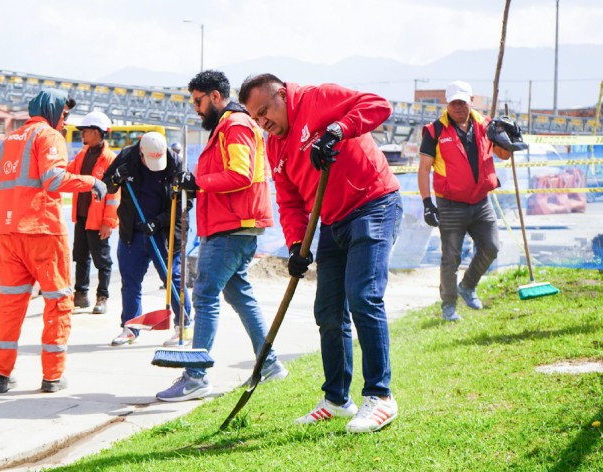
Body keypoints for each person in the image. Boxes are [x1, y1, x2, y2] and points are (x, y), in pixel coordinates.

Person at [239, 74, 403, 433]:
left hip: (373, 204)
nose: (263, 121)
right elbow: (289, 201)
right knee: (328, 311)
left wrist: (337, 131)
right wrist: (297, 246)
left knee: (363, 296)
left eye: (265, 110)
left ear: (283, 94)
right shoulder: (274, 145)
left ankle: (380, 396)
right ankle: (337, 400)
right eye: (256, 117)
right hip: (332, 221)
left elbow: (378, 105)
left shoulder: (318, 98)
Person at [156, 70, 286, 402]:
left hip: (232, 226)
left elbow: (240, 174)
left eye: (199, 101)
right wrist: (196, 182)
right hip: (232, 224)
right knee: (239, 295)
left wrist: (197, 182)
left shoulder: (235, 125)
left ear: (215, 96)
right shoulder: (228, 126)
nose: (197, 109)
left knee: (204, 295)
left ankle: (196, 377)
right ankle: (270, 364)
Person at [0, 89, 107, 394]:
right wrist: (91, 182)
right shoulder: (49, 136)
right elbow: (53, 179)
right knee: (58, 302)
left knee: (10, 305)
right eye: (64, 114)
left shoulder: (10, 140)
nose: (65, 122)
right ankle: (52, 376)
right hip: (43, 232)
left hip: (10, 232)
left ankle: (0, 375)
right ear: (52, 109)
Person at [418, 80, 516, 322]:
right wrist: (427, 204)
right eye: (454, 103)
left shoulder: (487, 125)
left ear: (471, 101)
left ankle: (468, 286)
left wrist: (510, 139)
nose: (458, 107)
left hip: (481, 202)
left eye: (462, 102)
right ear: (447, 104)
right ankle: (448, 306)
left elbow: (504, 156)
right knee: (450, 258)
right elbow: (424, 169)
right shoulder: (434, 131)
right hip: (450, 204)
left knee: (491, 247)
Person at [102, 132, 192, 347]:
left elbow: (185, 203)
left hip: (165, 232)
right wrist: (115, 179)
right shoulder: (127, 156)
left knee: (172, 279)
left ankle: (184, 324)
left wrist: (158, 222)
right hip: (132, 231)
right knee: (130, 280)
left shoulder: (176, 163)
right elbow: (106, 184)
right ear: (141, 153)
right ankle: (131, 327)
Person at [69, 111, 119, 315]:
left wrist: (108, 221)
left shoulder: (110, 159)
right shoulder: (82, 155)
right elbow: (69, 173)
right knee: (81, 256)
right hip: (81, 216)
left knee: (102, 261)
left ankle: (102, 297)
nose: (82, 134)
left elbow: (114, 195)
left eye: (85, 131)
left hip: (99, 220)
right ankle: (80, 294)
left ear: (96, 132)